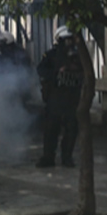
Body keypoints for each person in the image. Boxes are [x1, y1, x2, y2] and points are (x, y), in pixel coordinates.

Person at [35, 26, 83, 168]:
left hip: (72, 98)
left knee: (71, 129)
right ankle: (48, 157)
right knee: (51, 129)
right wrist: (56, 73)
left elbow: (84, 73)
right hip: (55, 97)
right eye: (66, 40)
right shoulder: (51, 55)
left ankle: (67, 157)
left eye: (70, 40)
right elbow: (41, 70)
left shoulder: (78, 56)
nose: (69, 43)